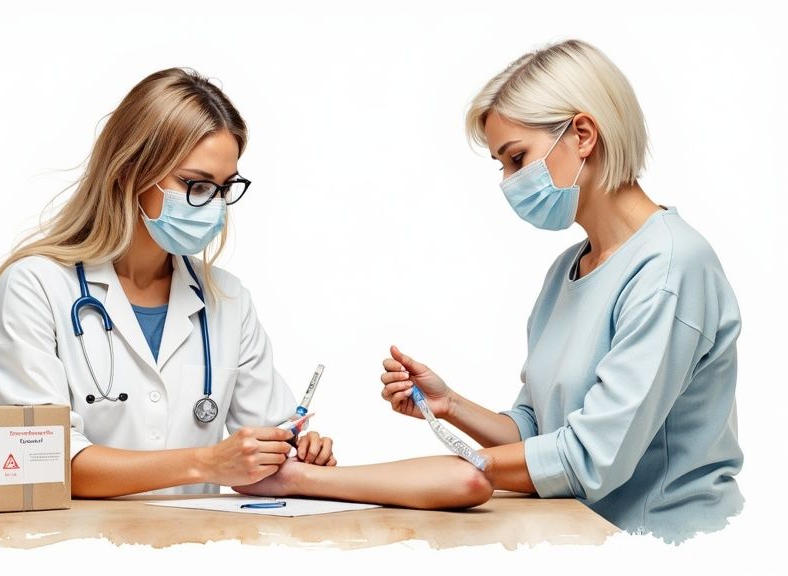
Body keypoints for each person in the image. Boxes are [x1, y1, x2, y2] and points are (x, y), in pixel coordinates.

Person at [237, 39, 744, 542]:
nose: (508, 181)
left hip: (667, 543)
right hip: (579, 530)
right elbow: (538, 432)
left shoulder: (672, 268)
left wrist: (447, 469)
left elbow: (588, 459)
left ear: (583, 134)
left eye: (517, 158)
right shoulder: (569, 269)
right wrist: (450, 405)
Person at [0, 68, 336, 498]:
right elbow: (39, 463)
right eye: (196, 184)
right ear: (129, 170)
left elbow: (263, 451)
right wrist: (205, 463)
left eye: (224, 188)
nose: (214, 206)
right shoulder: (36, 285)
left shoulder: (228, 300)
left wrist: (293, 451)